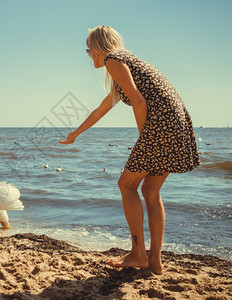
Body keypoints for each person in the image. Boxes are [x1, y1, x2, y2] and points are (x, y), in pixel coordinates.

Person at [60, 26, 200, 275]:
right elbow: (102, 108)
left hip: (160, 126)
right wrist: (76, 133)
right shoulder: (127, 64)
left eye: (88, 49)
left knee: (126, 185)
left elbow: (139, 101)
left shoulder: (114, 60)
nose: (88, 54)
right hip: (176, 124)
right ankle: (155, 262)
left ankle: (138, 254)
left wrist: (143, 137)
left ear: (98, 47)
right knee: (150, 189)